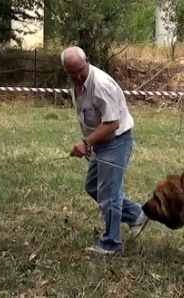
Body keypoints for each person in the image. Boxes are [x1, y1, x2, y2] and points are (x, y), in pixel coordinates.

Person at [60, 46, 148, 255]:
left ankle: (112, 243)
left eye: (79, 70)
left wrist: (86, 142)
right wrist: (92, 143)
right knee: (93, 186)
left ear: (87, 61)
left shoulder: (101, 84)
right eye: (71, 73)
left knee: (109, 193)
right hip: (101, 142)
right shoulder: (77, 84)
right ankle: (136, 214)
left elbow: (112, 124)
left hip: (117, 141)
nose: (77, 76)